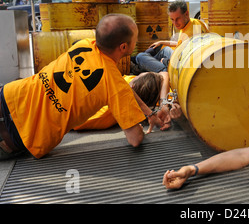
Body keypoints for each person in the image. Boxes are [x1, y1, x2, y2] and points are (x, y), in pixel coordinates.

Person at [0, 14, 165, 160]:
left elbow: (121, 86)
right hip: (23, 133)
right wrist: (143, 130)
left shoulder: (84, 44)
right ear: (123, 47)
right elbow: (134, 139)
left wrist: (149, 113)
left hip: (10, 95)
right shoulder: (113, 83)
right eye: (136, 37)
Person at [74, 72, 182, 132]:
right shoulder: (151, 96)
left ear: (132, 84)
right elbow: (164, 75)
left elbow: (73, 121)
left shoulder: (105, 109)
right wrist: (165, 105)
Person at [135, 0, 209, 73]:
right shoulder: (195, 22)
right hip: (182, 56)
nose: (175, 23)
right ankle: (142, 64)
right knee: (163, 49)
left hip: (181, 65)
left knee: (140, 57)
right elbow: (182, 43)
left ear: (186, 14)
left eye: (177, 19)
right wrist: (162, 42)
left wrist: (166, 61)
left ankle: (157, 68)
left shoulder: (190, 33)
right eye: (172, 19)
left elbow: (185, 63)